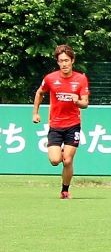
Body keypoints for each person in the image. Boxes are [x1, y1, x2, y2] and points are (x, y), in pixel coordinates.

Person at [31, 44, 90, 200]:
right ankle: (59, 152)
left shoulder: (81, 79)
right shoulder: (50, 78)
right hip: (55, 125)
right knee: (55, 160)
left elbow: (85, 103)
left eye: (67, 60)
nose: (64, 64)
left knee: (68, 160)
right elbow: (39, 93)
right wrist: (35, 113)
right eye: (61, 61)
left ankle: (65, 190)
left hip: (73, 125)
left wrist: (78, 101)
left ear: (72, 61)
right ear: (57, 62)